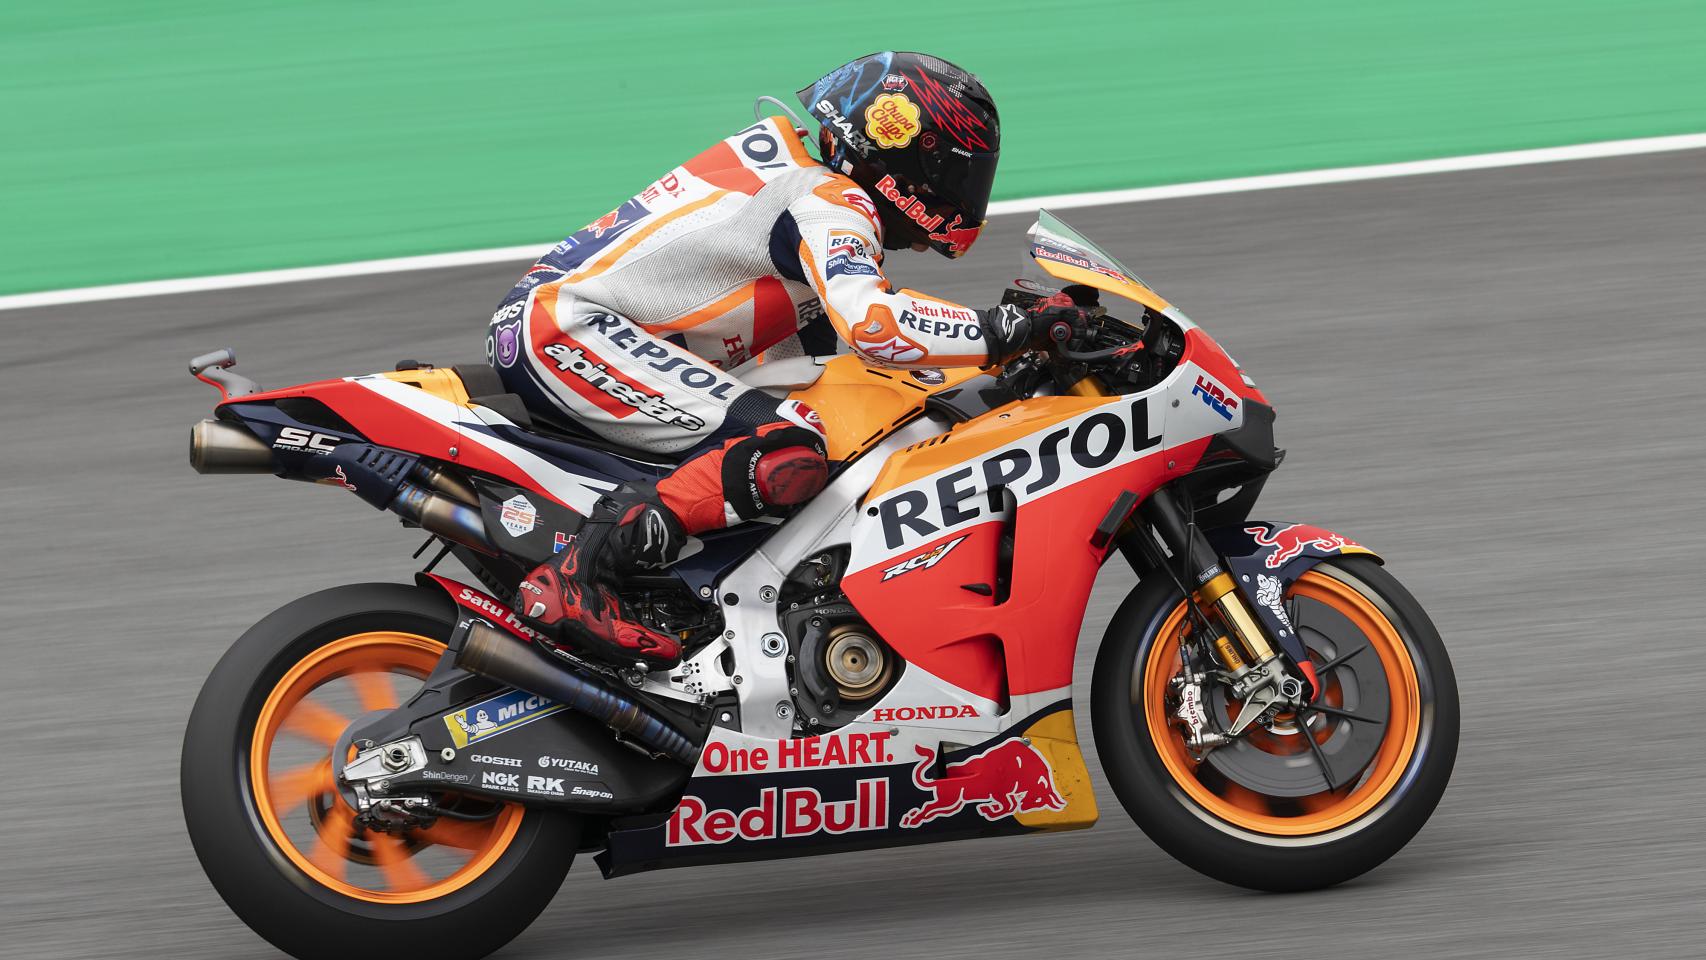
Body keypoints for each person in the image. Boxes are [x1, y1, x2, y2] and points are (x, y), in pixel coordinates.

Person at [488, 51, 1079, 669]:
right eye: (954, 173)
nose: (962, 194)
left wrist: (1007, 352)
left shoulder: (803, 180)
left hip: (586, 324)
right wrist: (1007, 330)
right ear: (900, 146)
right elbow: (874, 325)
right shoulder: (828, 199)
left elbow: (841, 354)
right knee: (786, 447)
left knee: (819, 433)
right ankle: (580, 575)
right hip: (570, 328)